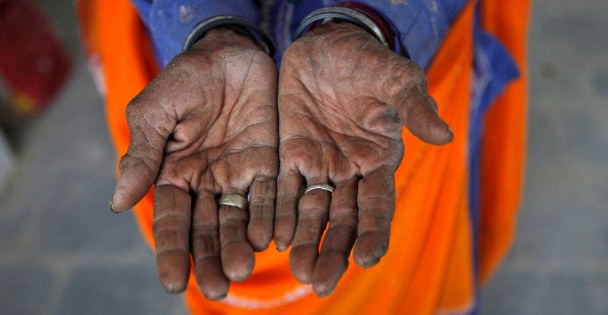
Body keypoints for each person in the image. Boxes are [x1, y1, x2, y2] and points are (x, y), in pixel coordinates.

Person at [77, 0, 529, 314]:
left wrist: (371, 20)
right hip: (193, 81)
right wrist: (208, 26)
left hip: (385, 81)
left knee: (394, 256)